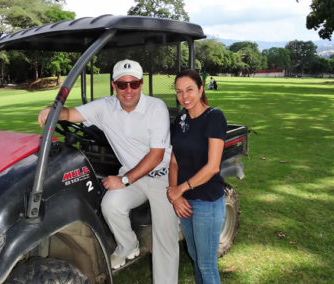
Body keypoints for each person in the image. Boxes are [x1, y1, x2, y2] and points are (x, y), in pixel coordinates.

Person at [38, 59, 179, 284]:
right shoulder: (105, 107)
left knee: (165, 240)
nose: (128, 90)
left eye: (134, 84)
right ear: (114, 86)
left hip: (161, 177)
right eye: (122, 85)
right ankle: (128, 246)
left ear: (142, 84)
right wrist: (53, 111)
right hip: (134, 178)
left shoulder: (156, 108)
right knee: (110, 205)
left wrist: (123, 179)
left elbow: (156, 156)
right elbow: (71, 114)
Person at [167, 69, 227, 284]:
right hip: (185, 203)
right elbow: (173, 161)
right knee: (195, 257)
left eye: (190, 89)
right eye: (179, 92)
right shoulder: (180, 120)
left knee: (206, 264)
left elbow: (212, 167)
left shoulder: (214, 117)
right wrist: (176, 196)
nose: (185, 96)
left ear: (201, 89)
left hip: (207, 202)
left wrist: (179, 190)